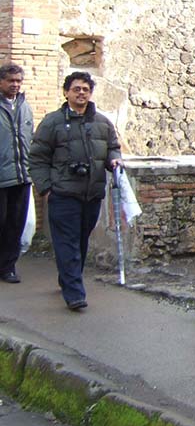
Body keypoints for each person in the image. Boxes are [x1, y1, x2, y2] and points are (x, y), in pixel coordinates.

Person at [29, 71, 122, 311]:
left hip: (92, 194)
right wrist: (46, 189)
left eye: (86, 89)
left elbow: (113, 147)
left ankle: (68, 279)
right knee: (67, 243)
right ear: (66, 92)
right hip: (63, 194)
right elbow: (37, 158)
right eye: (77, 89)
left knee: (80, 242)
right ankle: (74, 293)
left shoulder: (102, 122)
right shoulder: (52, 122)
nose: (81, 93)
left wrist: (114, 160)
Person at [0, 63, 34, 284]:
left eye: (18, 81)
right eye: (11, 81)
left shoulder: (24, 106)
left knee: (15, 224)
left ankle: (8, 267)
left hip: (21, 176)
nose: (15, 85)